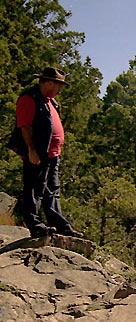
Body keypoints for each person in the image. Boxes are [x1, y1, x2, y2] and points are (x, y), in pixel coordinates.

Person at [9, 67, 83, 238]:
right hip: (38, 154)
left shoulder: (49, 101)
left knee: (52, 190)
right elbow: (24, 126)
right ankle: (35, 226)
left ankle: (59, 224)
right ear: (50, 83)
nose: (59, 90)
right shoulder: (29, 98)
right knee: (34, 189)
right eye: (58, 86)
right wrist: (31, 150)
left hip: (52, 154)